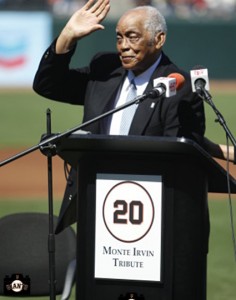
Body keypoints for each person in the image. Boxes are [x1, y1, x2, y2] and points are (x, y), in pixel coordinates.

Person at [33, 0, 206, 232]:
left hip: (146, 211)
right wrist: (67, 37)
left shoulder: (177, 85)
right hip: (95, 198)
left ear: (158, 39)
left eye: (132, 36)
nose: (123, 46)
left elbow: (181, 163)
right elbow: (48, 85)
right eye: (119, 37)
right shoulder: (106, 69)